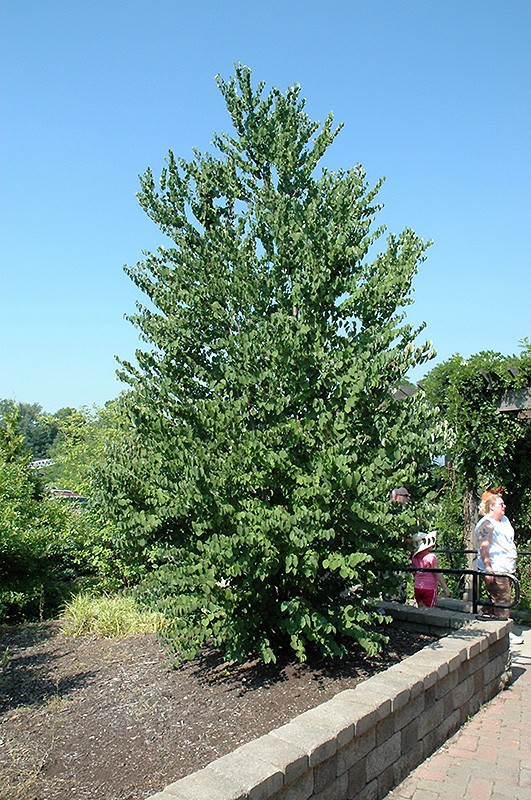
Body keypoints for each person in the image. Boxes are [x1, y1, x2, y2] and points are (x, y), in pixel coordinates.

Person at [475, 491, 523, 644]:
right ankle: (504, 632)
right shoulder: (486, 524)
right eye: (501, 504)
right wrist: (488, 569)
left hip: (507, 568)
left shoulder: (505, 520)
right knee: (503, 599)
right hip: (496, 568)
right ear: (491, 507)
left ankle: (481, 618)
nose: (504, 506)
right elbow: (484, 547)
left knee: (495, 598)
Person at [411, 531, 450, 608]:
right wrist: (445, 588)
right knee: (429, 610)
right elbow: (437, 573)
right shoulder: (431, 557)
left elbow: (414, 572)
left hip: (418, 586)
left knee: (420, 608)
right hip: (429, 588)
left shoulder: (414, 558)